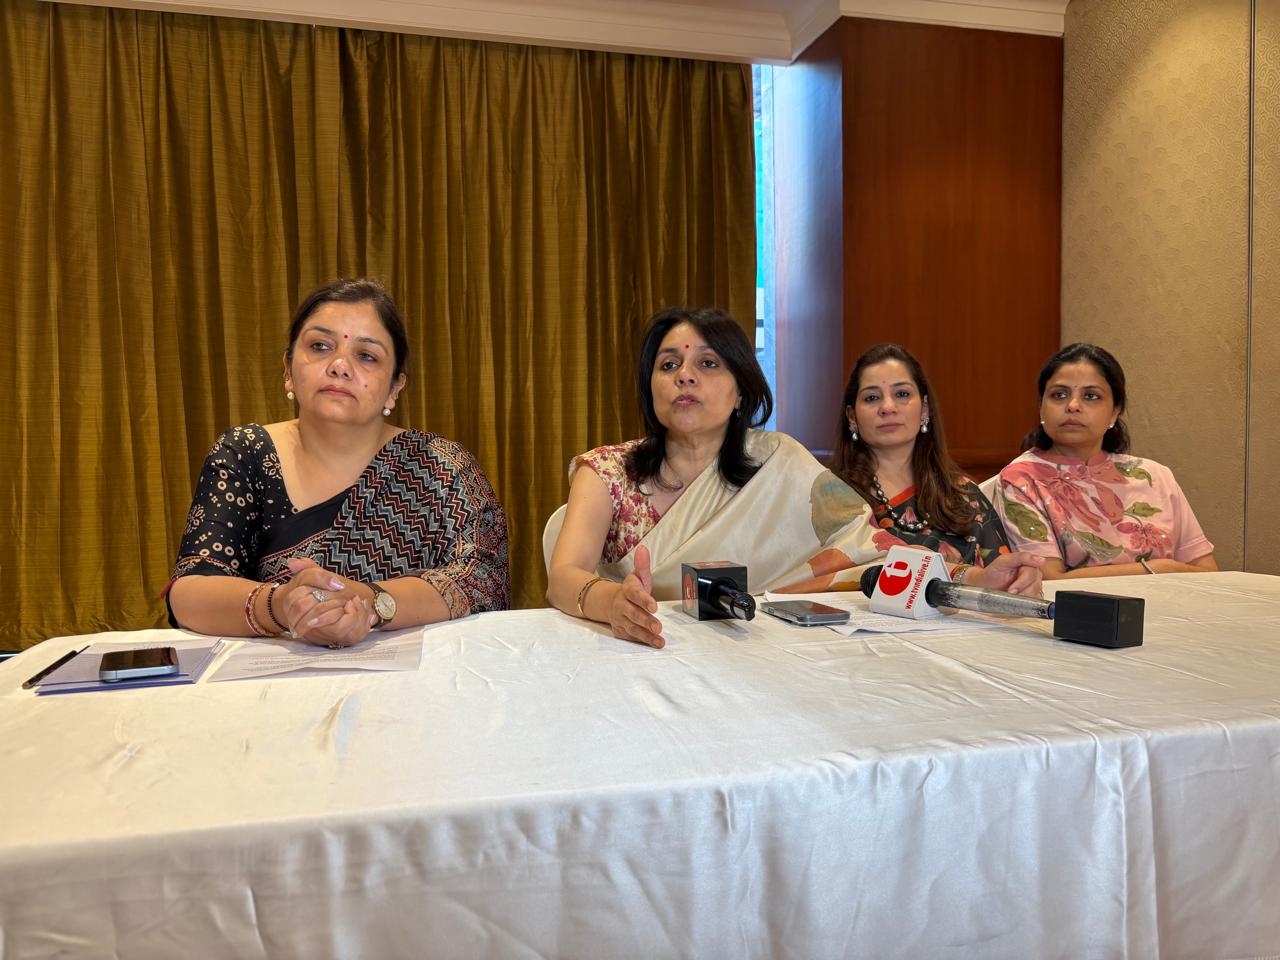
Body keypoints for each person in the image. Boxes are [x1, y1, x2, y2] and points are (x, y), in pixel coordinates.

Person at [547, 310, 1041, 649]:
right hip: (644, 649)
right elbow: (564, 577)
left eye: (708, 363)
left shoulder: (780, 463)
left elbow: (872, 552)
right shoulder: (608, 471)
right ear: (651, 387)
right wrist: (615, 603)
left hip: (759, 656)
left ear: (741, 391)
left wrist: (975, 580)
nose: (685, 376)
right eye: (669, 364)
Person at [167, 278, 510, 647]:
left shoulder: (441, 466)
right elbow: (189, 592)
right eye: (320, 346)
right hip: (282, 670)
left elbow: (484, 581)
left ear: (395, 387)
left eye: (366, 356)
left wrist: (371, 603)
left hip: (416, 673)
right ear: (288, 368)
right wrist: (282, 605)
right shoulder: (246, 452)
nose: (340, 366)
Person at [996, 342, 1217, 578]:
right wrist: (1157, 569)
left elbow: (1208, 572)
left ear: (1115, 411)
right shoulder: (1020, 480)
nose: (1073, 406)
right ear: (1041, 407)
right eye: (1059, 395)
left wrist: (1166, 571)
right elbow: (1050, 580)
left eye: (1091, 396)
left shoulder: (1155, 475)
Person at [831, 343, 1043, 587]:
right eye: (872, 398)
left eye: (902, 394)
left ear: (924, 409)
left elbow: (1002, 576)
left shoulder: (964, 495)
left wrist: (1021, 579)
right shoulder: (833, 498)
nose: (888, 407)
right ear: (852, 416)